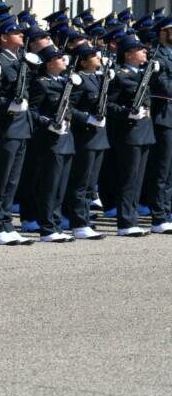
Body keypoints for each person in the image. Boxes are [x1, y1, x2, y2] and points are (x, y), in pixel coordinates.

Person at [0, 20, 36, 246]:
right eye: (15, 32)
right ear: (3, 38)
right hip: (7, 126)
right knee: (1, 179)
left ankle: (6, 222)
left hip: (22, 126)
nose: (21, 35)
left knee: (13, 180)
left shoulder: (20, 60)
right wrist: (7, 106)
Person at [27, 44, 79, 242]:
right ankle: (47, 227)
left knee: (61, 186)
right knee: (49, 185)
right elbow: (32, 111)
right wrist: (48, 123)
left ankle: (56, 223)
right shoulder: (41, 83)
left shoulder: (66, 82)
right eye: (58, 58)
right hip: (50, 139)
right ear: (49, 63)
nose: (63, 60)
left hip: (66, 138)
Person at [107, 36, 156, 237]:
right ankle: (125, 222)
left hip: (145, 130)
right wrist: (127, 112)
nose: (145, 52)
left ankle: (132, 217)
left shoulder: (144, 73)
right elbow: (108, 105)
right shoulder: (118, 75)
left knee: (138, 179)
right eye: (140, 50)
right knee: (128, 178)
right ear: (128, 54)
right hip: (129, 131)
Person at [62, 45, 108, 240]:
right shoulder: (78, 80)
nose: (98, 58)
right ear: (82, 62)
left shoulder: (98, 78)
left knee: (91, 183)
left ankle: (85, 218)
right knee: (81, 182)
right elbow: (68, 106)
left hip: (99, 137)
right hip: (85, 136)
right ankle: (78, 223)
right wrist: (86, 118)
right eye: (93, 56)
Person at [145, 16, 172, 234]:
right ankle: (159, 216)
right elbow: (163, 85)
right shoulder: (156, 55)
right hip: (164, 117)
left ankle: (168, 210)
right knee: (162, 169)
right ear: (163, 31)